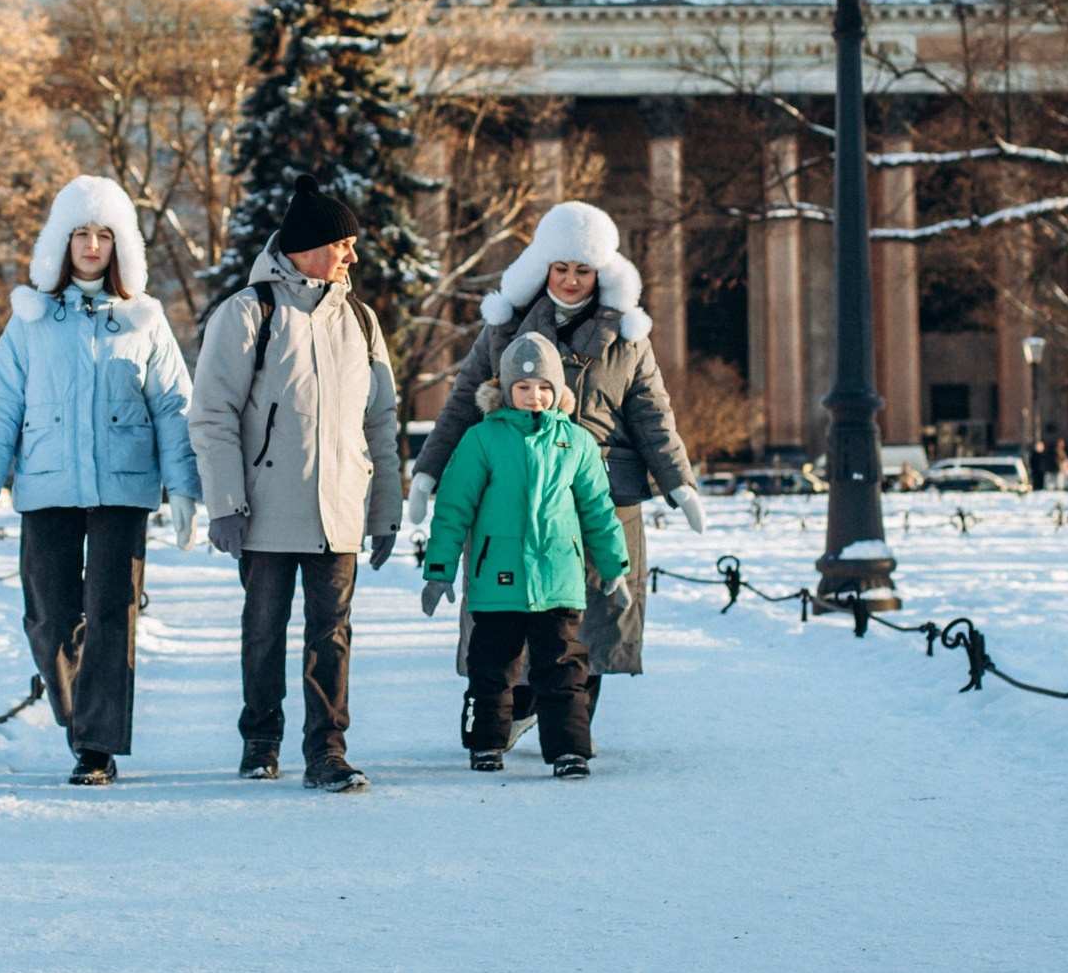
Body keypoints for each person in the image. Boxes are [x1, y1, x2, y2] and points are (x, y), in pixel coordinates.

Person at [408, 201, 702, 735]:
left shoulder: (627, 337)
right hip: (510, 496)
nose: (571, 281)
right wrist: (428, 472)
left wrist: (679, 481)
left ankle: (571, 722)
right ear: (544, 268)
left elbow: (653, 413)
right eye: (561, 268)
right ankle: (512, 706)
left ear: (600, 272)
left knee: (595, 616)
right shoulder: (506, 328)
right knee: (508, 611)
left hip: (600, 494)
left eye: (583, 270)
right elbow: (460, 404)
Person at [0, 176, 201, 786]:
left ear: (120, 245)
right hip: (47, 485)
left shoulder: (144, 321)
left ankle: (95, 747)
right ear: (60, 243)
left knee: (111, 614)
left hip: (123, 487)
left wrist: (184, 489)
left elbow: (175, 407)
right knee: (48, 615)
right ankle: (77, 714)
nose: (92, 245)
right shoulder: (30, 322)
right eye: (81, 233)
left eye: (104, 234)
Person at [190, 176, 402, 794]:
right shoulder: (247, 312)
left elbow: (381, 422)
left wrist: (384, 511)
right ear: (308, 246)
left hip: (339, 509)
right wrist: (226, 503)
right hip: (265, 508)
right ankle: (260, 739)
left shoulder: (360, 320)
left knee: (330, 635)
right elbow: (212, 415)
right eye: (343, 244)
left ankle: (326, 751)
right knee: (263, 629)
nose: (352, 257)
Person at [419, 333, 631, 779]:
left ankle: (569, 749)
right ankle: (486, 744)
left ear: (558, 391)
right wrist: (438, 570)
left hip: (558, 580)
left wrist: (614, 566)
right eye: (524, 388)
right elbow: (454, 508)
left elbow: (597, 509)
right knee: (492, 668)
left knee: (563, 669)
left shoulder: (576, 442)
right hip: (498, 580)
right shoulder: (482, 440)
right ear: (505, 390)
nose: (534, 397)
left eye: (544, 388)